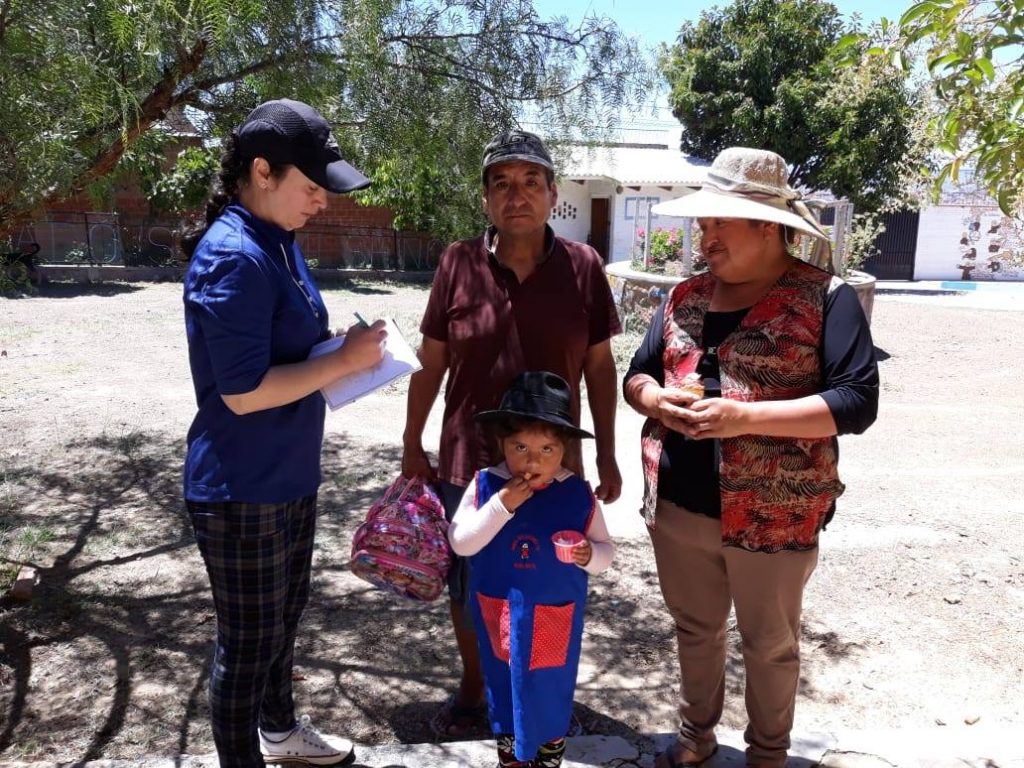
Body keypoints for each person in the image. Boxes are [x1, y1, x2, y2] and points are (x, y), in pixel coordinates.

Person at [623, 147, 879, 768]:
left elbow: (856, 402)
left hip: (775, 513)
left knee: (770, 645)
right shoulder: (683, 296)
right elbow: (636, 375)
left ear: (767, 225)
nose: (705, 238)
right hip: (680, 504)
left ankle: (768, 755)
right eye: (703, 224)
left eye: (719, 224)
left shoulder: (826, 299)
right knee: (695, 630)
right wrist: (658, 401)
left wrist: (744, 418)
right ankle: (694, 739)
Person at [181, 98, 388, 768]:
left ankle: (280, 731)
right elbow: (241, 394)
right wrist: (346, 360)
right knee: (246, 646)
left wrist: (345, 350)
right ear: (263, 172)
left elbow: (287, 351)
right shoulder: (235, 257)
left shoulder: (277, 240)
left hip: (286, 473)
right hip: (242, 488)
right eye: (312, 187)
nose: (323, 202)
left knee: (280, 624)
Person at [401, 129, 623, 737]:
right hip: (470, 461)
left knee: (553, 578)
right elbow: (431, 361)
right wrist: (411, 441)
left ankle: (542, 690)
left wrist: (605, 455)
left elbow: (601, 368)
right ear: (485, 200)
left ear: (554, 195)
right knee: (472, 582)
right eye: (501, 183)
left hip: (556, 466)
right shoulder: (457, 262)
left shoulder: (583, 267)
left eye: (530, 182)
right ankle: (477, 691)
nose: (516, 195)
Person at [448, 371, 615, 768]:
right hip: (500, 616)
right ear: (503, 443)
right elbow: (462, 542)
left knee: (548, 691)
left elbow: (607, 553)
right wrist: (502, 505)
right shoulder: (486, 485)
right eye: (520, 446)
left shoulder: (576, 493)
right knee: (505, 691)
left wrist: (589, 554)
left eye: (547, 449)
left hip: (555, 620)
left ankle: (547, 760)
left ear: (564, 450)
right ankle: (511, 760)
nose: (533, 460)